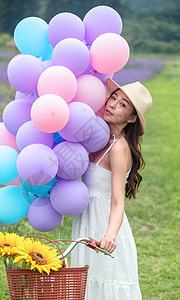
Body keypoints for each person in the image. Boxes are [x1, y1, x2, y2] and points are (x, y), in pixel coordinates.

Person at [71, 78, 152, 300]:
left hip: (103, 224)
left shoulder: (119, 148)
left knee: (103, 287)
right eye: (113, 97)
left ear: (132, 118)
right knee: (84, 287)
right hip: (86, 221)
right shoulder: (98, 139)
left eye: (123, 104)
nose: (113, 104)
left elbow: (117, 201)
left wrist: (109, 237)